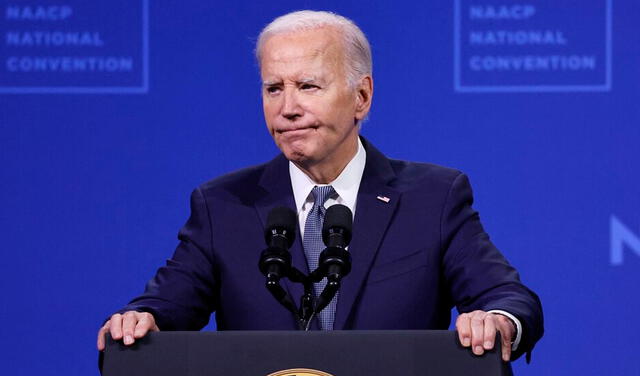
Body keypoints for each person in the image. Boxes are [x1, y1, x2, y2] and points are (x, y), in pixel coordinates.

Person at [97, 10, 543, 362]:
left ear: (361, 97)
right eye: (273, 89)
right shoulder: (223, 205)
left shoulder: (433, 197)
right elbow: (165, 306)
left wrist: (497, 321)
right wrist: (141, 321)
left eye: (308, 86)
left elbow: (507, 298)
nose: (287, 107)